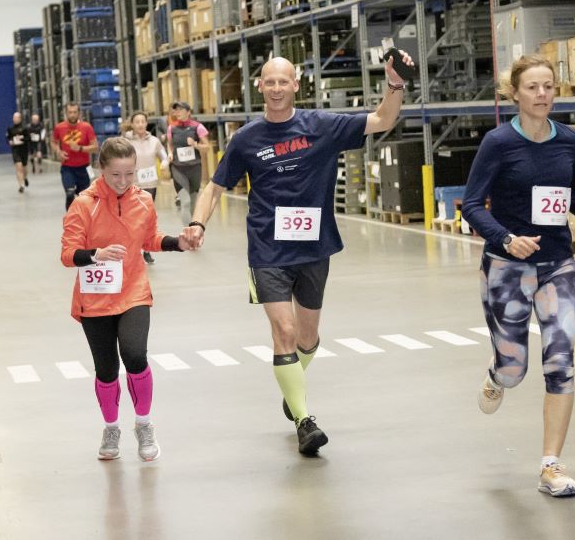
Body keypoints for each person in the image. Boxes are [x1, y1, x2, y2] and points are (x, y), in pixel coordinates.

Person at [184, 54, 411, 456]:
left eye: (282, 82)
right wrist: (198, 223)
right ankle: (305, 420)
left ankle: (292, 387)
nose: (276, 89)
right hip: (267, 249)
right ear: (260, 86)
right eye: (269, 82)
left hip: (314, 246)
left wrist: (394, 83)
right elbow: (214, 187)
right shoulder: (246, 139)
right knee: (285, 332)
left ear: (295, 84)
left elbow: (383, 119)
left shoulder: (321, 126)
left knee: (307, 337)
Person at [460, 54, 575, 499]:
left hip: (558, 264)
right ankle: (497, 375)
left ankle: (550, 465)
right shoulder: (498, 143)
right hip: (507, 267)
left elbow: (569, 189)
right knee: (514, 369)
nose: (542, 94)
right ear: (515, 94)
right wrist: (506, 239)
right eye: (533, 87)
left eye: (549, 86)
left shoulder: (569, 140)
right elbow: (471, 205)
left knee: (561, 361)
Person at [60, 137, 193, 462]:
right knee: (106, 370)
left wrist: (177, 243)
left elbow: (150, 239)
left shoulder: (143, 201)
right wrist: (96, 254)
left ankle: (144, 424)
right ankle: (111, 427)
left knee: (134, 355)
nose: (123, 181)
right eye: (115, 175)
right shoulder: (83, 204)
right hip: (95, 300)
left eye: (129, 174)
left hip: (133, 292)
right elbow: (67, 254)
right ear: (101, 170)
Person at [124, 112, 169, 265]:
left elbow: (163, 155)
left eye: (143, 121)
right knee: (134, 218)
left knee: (146, 218)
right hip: (132, 185)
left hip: (150, 185)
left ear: (146, 123)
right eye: (137, 122)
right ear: (132, 124)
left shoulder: (154, 141)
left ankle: (146, 249)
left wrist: (165, 162)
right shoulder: (126, 142)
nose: (140, 124)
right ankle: (133, 248)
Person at [165, 101, 211, 225]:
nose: (177, 112)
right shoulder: (171, 128)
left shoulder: (198, 127)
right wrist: (170, 153)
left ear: (188, 112)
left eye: (180, 110)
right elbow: (170, 144)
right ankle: (188, 231)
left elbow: (207, 147)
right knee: (185, 202)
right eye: (176, 110)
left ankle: (193, 228)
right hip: (178, 169)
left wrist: (195, 144)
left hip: (194, 169)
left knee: (193, 203)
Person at [53, 104, 99, 210]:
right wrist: (58, 151)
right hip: (67, 168)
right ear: (66, 113)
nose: (72, 115)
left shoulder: (86, 127)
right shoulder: (59, 127)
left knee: (84, 199)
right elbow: (53, 142)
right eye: (70, 112)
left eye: (74, 112)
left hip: (84, 168)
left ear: (79, 113)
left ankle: (82, 217)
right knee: (70, 193)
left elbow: (95, 147)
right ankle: (70, 216)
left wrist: (80, 148)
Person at [7, 112, 30, 193]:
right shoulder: (10, 128)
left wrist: (21, 139)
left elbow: (28, 138)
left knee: (24, 167)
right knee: (18, 167)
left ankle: (25, 177)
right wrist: (10, 141)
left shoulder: (25, 128)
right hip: (15, 150)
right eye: (14, 117)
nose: (14, 119)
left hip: (24, 149)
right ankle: (21, 185)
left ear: (20, 119)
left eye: (16, 118)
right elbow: (8, 138)